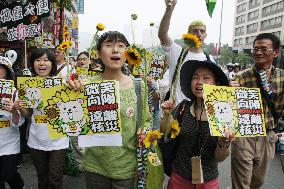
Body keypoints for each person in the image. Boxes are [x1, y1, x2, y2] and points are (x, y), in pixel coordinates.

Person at [69, 31, 152, 189]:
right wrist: (70, 92)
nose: (115, 50)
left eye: (121, 46)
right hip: (95, 166)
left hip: (127, 167)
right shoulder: (86, 85)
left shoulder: (138, 86)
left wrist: (145, 131)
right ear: (99, 53)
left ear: (127, 53)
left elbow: (147, 120)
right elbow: (71, 121)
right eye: (109, 45)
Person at [161, 59, 235, 189]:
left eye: (206, 78)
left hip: (208, 181)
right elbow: (165, 133)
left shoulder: (224, 115)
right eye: (195, 77)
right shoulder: (183, 108)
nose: (199, 82)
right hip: (179, 177)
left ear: (216, 84)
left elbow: (220, 158)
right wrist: (166, 115)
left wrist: (223, 143)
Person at [230, 33, 284, 189]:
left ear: (275, 52)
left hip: (268, 135)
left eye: (264, 49)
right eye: (256, 48)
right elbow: (227, 106)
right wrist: (229, 90)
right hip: (244, 135)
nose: (258, 52)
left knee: (258, 180)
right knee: (241, 182)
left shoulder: (282, 77)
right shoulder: (240, 77)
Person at [15, 48, 69, 189]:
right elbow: (27, 115)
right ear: (33, 64)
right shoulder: (27, 85)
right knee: (42, 179)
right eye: (38, 60)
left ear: (52, 64)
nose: (41, 63)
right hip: (36, 139)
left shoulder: (61, 84)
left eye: (46, 60)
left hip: (58, 140)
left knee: (55, 179)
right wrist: (20, 106)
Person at [158, 0, 214, 104]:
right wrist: (169, 9)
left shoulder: (210, 59)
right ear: (188, 34)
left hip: (198, 115)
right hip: (175, 114)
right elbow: (162, 35)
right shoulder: (177, 52)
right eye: (195, 30)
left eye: (202, 31)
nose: (199, 34)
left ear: (206, 35)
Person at [0, 56, 24, 189]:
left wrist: (14, 109)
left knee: (9, 174)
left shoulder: (15, 92)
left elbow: (19, 122)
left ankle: (19, 184)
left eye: (1, 68)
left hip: (9, 143)